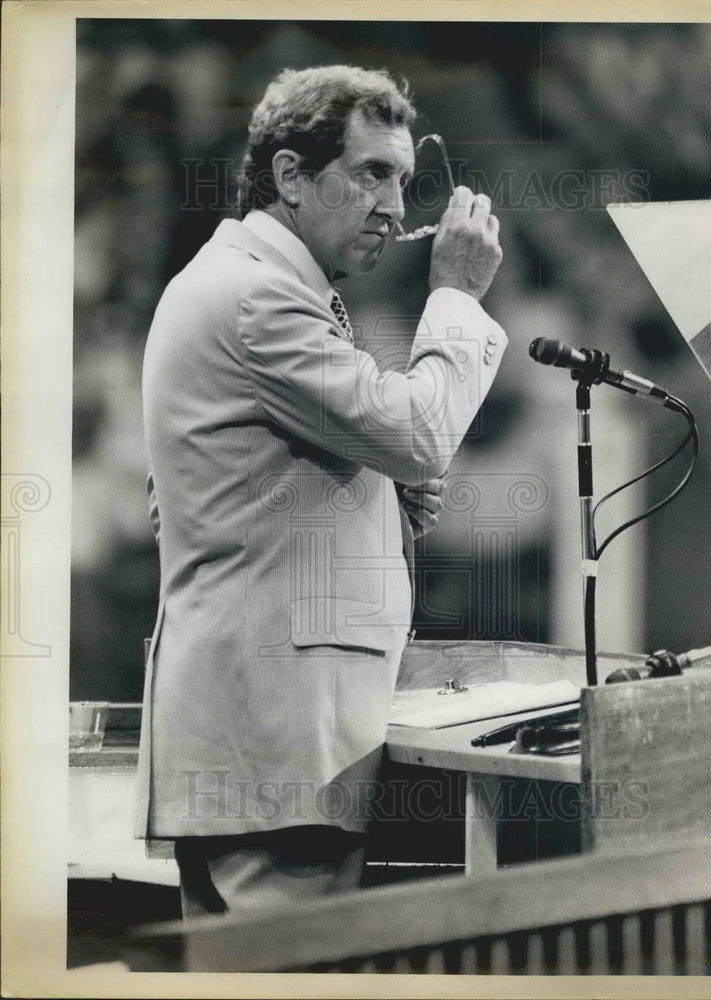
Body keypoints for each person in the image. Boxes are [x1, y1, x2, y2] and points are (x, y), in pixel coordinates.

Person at [135, 64, 507, 917]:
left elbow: (207, 498)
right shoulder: (260, 297)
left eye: (405, 181)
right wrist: (453, 296)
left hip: (258, 743)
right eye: (372, 172)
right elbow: (419, 436)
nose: (397, 207)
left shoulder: (245, 286)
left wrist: (377, 492)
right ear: (290, 176)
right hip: (276, 744)